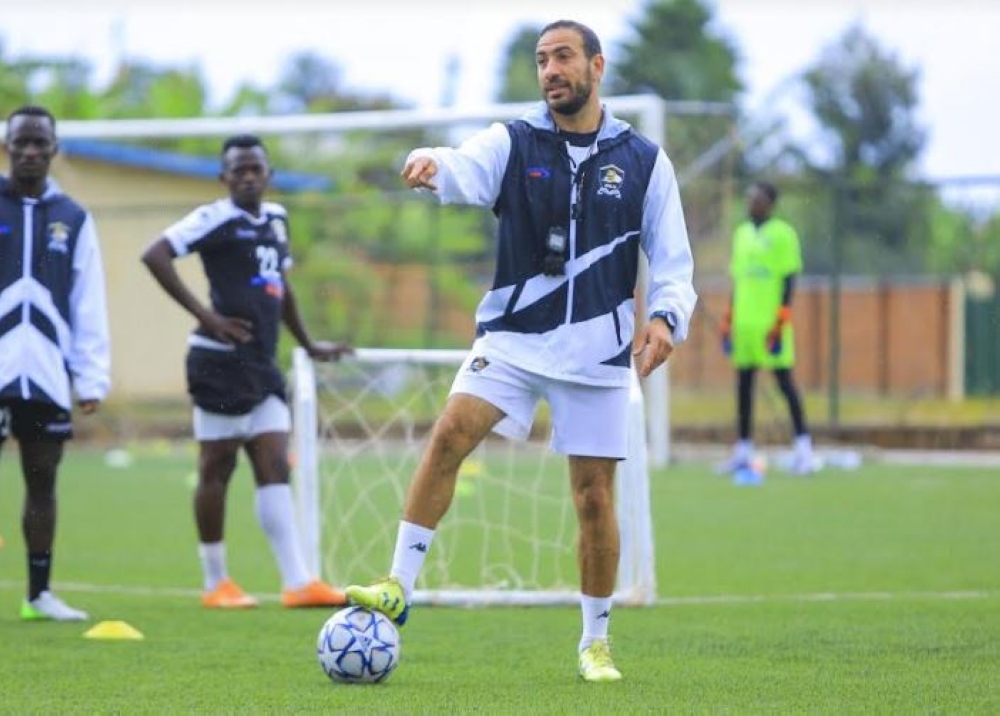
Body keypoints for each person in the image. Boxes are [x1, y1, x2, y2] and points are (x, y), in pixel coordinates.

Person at [346, 20, 697, 683]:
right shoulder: (515, 140)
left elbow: (673, 258)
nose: (550, 71)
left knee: (595, 498)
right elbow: (465, 165)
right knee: (449, 432)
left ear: (597, 65)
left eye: (562, 57)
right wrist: (433, 162)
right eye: (541, 61)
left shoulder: (646, 160)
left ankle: (595, 641)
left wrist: (665, 318)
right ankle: (397, 582)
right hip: (511, 338)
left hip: (598, 351)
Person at [141, 134, 351, 609]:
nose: (249, 176)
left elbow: (282, 286)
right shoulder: (214, 218)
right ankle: (216, 582)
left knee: (274, 463)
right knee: (217, 467)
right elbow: (154, 254)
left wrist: (309, 343)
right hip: (217, 363)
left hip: (262, 363)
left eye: (256, 168)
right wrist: (207, 317)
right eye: (239, 170)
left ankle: (297, 582)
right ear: (224, 177)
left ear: (268, 174)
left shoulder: (277, 218)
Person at [1, 105, 111, 621]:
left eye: (38, 143)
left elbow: (89, 301)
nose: (29, 151)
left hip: (46, 373)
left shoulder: (74, 217)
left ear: (53, 149)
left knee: (42, 481)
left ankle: (39, 595)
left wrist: (91, 375)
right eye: (20, 142)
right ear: (7, 146)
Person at [719, 181, 817, 476]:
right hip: (745, 323)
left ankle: (804, 451)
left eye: (756, 199)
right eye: (748, 198)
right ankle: (743, 451)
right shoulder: (742, 234)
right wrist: (729, 318)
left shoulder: (783, 234)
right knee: (744, 385)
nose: (751, 203)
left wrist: (782, 316)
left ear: (770, 203)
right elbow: (738, 280)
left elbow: (789, 279)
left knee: (785, 383)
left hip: (771, 323)